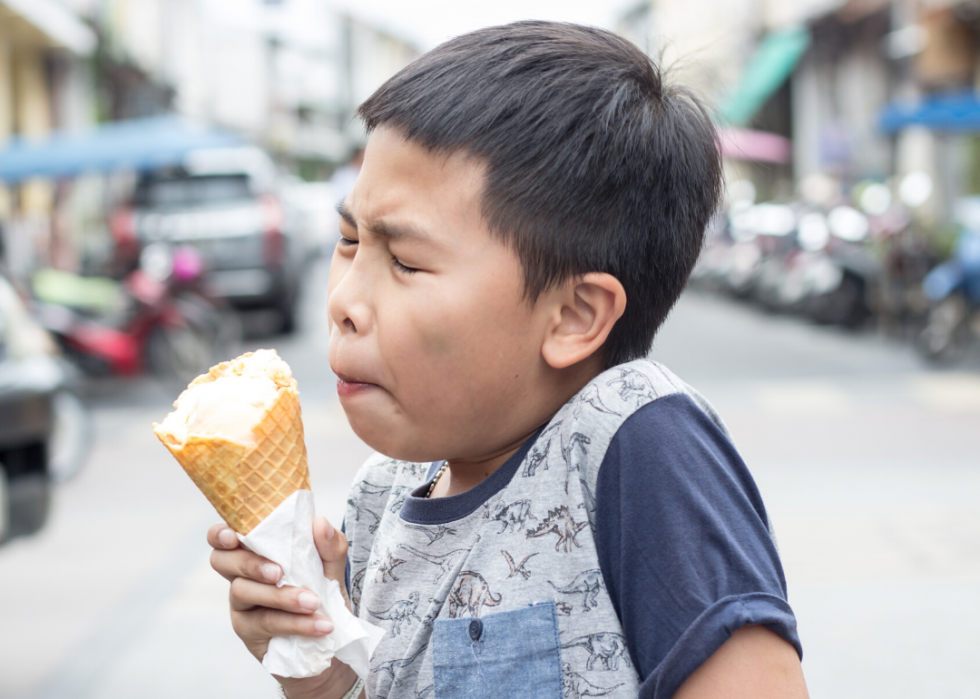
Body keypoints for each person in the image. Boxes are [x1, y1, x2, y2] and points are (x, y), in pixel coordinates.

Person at [208, 21, 808, 699]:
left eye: (405, 260)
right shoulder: (378, 497)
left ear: (574, 316)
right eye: (348, 241)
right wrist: (326, 676)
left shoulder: (633, 440)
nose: (344, 299)